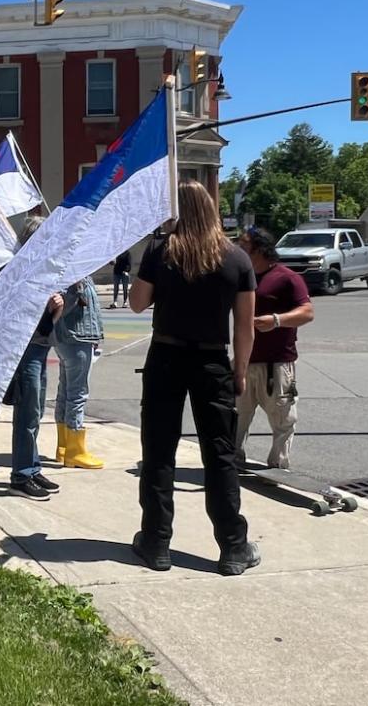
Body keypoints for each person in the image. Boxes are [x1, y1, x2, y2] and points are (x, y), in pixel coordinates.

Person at [129, 180, 260, 576]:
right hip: (212, 361)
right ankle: (233, 547)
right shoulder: (237, 259)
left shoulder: (161, 251)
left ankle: (156, 542)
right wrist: (239, 371)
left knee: (158, 451)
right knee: (219, 455)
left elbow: (136, 303)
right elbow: (245, 327)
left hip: (166, 356)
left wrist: (153, 253)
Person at [236, 227, 314, 470]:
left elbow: (307, 312)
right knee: (235, 418)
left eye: (244, 247)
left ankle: (278, 470)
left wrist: (276, 320)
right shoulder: (242, 277)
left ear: (259, 250)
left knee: (283, 421)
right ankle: (231, 462)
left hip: (277, 366)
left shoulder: (287, 278)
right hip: (244, 363)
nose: (239, 251)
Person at [7, 216, 64, 500]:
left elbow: (46, 321)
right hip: (27, 348)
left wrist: (56, 309)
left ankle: (32, 466)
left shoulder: (40, 271)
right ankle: (21, 474)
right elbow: (19, 315)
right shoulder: (19, 272)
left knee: (36, 410)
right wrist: (47, 305)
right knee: (27, 411)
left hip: (40, 346)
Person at [53, 274, 106, 469]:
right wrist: (75, 290)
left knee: (66, 390)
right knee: (77, 393)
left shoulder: (83, 275)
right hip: (76, 338)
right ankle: (75, 449)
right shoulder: (71, 277)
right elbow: (61, 307)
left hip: (76, 338)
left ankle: (64, 445)